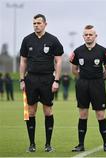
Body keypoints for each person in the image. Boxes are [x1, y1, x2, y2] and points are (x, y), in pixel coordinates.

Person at [19, 14, 64, 152]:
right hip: (31, 79)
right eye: (34, 23)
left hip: (47, 79)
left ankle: (48, 144)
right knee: (30, 112)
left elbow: (58, 61)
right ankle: (32, 144)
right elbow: (23, 61)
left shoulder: (53, 40)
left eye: (39, 23)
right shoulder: (27, 40)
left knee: (48, 111)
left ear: (45, 24)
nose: (36, 25)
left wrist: (56, 80)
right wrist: (21, 79)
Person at [70, 25, 106, 152]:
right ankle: (80, 144)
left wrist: (99, 79)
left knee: (100, 114)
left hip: (97, 85)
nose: (88, 36)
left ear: (95, 36)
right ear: (83, 36)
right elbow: (74, 70)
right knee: (83, 114)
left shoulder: (103, 51)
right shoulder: (77, 51)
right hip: (82, 85)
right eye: (86, 34)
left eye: (90, 34)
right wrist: (84, 79)